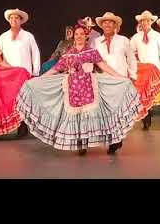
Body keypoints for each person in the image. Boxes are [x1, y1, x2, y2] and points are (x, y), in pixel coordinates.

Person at [16, 22, 143, 156]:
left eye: (82, 34)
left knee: (94, 115)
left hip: (89, 86)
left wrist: (119, 76)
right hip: (73, 88)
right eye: (77, 34)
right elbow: (56, 68)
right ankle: (81, 144)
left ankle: (107, 142)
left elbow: (103, 66)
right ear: (74, 36)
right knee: (77, 116)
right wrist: (40, 78)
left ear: (86, 36)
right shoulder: (68, 54)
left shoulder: (91, 52)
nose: (79, 36)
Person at [0, 8, 41, 138]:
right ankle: (11, 125)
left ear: (21, 21)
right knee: (10, 100)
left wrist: (35, 72)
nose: (14, 20)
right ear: (9, 21)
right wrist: (2, 64)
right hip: (8, 75)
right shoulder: (3, 36)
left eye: (16, 18)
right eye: (11, 18)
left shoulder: (28, 36)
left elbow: (35, 53)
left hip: (24, 73)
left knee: (22, 100)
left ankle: (23, 126)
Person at [130, 10, 160, 130]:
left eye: (147, 20)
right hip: (141, 69)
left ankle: (148, 117)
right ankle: (145, 117)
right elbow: (130, 52)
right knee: (141, 94)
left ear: (151, 22)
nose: (145, 22)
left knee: (149, 93)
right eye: (143, 20)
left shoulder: (158, 36)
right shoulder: (136, 37)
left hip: (154, 69)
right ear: (140, 22)